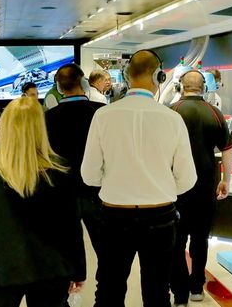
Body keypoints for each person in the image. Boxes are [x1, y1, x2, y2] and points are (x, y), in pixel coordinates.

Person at [81, 49, 197, 307]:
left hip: (114, 216)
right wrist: (160, 185)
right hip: (160, 217)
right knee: (157, 292)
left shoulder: (103, 116)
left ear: (126, 75)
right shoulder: (173, 119)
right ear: (159, 77)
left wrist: (115, 180)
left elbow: (89, 175)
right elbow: (187, 179)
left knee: (109, 290)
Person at [0, 97, 86, 307]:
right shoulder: (60, 170)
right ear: (40, 129)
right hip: (51, 268)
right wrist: (78, 270)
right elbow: (71, 227)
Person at [169, 70, 232, 305]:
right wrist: (226, 180)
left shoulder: (172, 111)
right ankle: (197, 287)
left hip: (176, 188)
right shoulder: (214, 113)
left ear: (180, 87)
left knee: (177, 241)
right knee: (200, 239)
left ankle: (180, 295)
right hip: (205, 187)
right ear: (204, 88)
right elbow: (227, 148)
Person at [45, 63, 105, 257]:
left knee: (66, 251)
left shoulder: (47, 118)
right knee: (105, 250)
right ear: (84, 83)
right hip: (97, 190)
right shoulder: (101, 113)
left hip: (61, 191)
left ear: (59, 87)